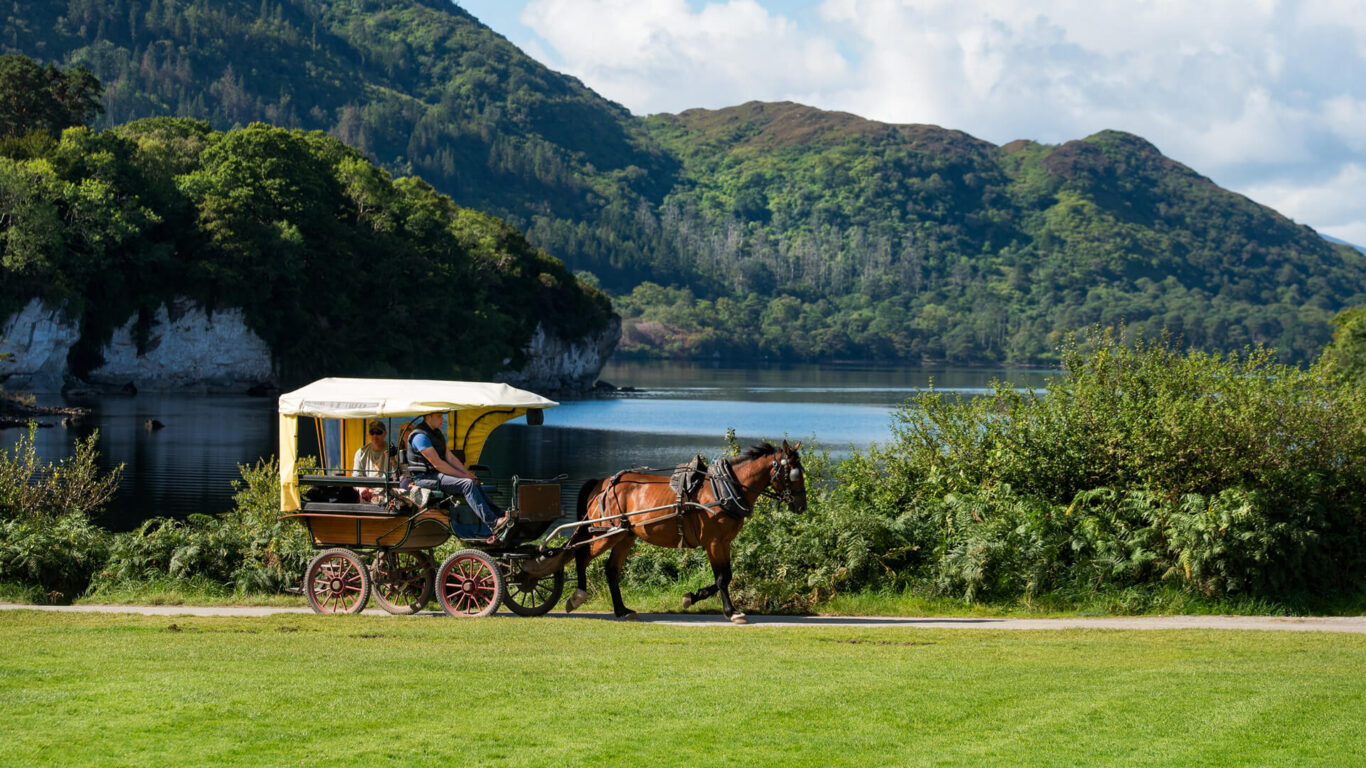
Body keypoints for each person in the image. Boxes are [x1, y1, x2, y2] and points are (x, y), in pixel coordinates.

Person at [407, 412, 508, 539]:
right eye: (439, 416)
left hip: (437, 475)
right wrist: (464, 477)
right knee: (467, 484)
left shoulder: (437, 434)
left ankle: (500, 516)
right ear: (428, 417)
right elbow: (438, 464)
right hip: (425, 478)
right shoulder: (419, 437)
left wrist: (467, 474)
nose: (442, 419)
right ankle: (493, 523)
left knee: (473, 481)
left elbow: (450, 457)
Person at [352, 420, 394, 502]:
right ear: (368, 434)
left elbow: (397, 476)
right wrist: (361, 489)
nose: (375, 436)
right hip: (367, 497)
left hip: (387, 496)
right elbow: (355, 478)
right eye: (372, 432)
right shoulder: (361, 453)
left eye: (378, 432)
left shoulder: (392, 451)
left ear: (385, 434)